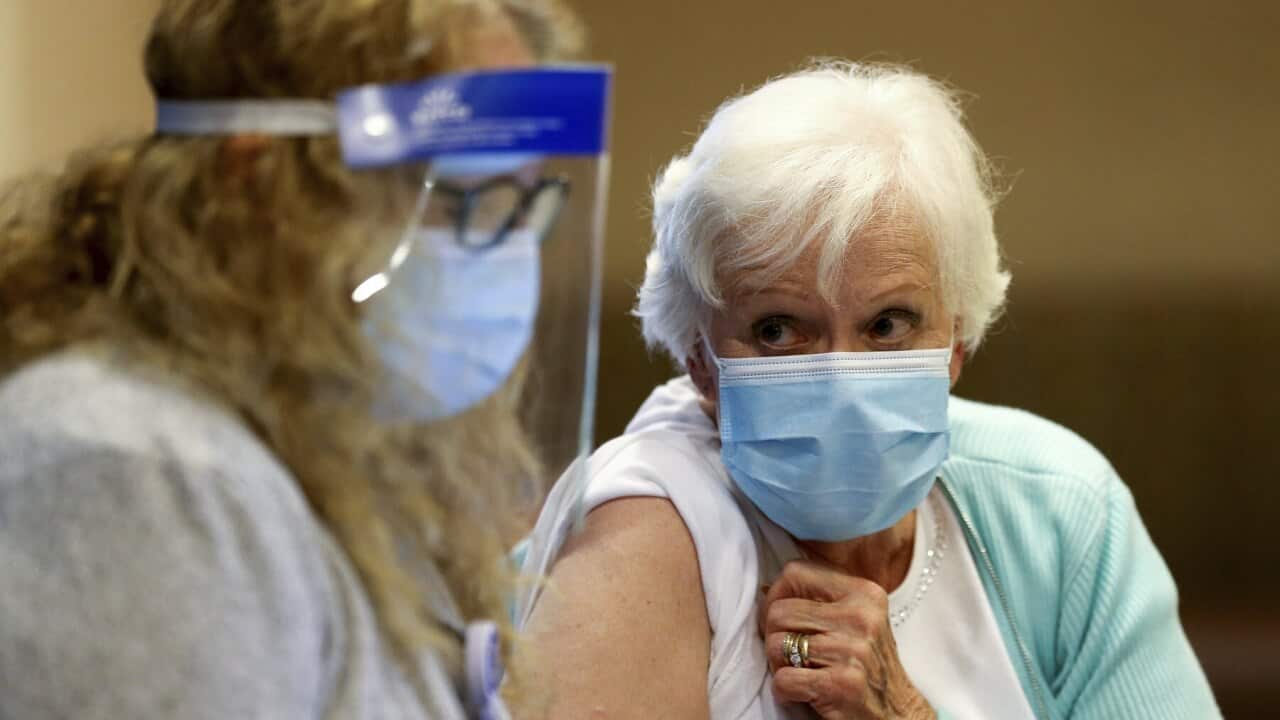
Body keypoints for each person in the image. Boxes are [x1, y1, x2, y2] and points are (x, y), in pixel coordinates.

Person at [517, 62, 1220, 719]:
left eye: (887, 323)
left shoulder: (1057, 511)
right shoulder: (647, 525)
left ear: (957, 337)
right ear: (699, 359)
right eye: (777, 330)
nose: (841, 379)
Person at [0, 1, 603, 718]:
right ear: (260, 191)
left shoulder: (337, 468)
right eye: (455, 199)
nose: (503, 246)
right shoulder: (135, 468)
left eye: (520, 198)